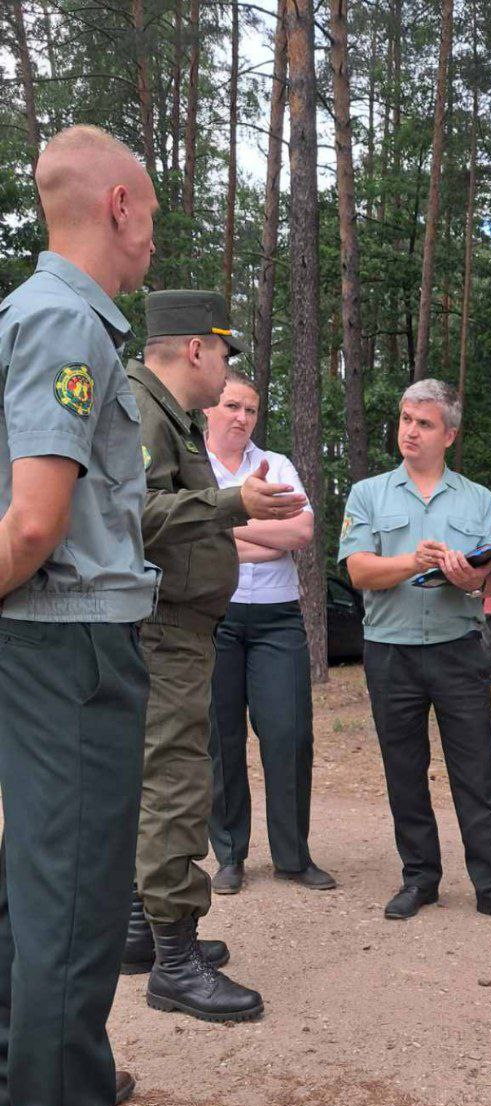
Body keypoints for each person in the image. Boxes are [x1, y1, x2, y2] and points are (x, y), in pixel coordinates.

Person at [0, 125, 197, 1106]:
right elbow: (33, 522)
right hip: (70, 640)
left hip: (50, 634)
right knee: (74, 890)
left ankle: (21, 1082)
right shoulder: (66, 320)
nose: (151, 239)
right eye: (153, 217)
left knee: (33, 875)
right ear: (119, 203)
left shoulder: (38, 315)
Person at [126, 290, 307, 1022]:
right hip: (165, 629)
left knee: (165, 778)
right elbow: (129, 515)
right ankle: (175, 963)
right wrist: (234, 504)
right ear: (196, 349)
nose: (228, 372)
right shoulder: (146, 411)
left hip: (181, 628)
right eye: (224, 353)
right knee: (174, 784)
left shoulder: (166, 417)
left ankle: (144, 932)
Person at [339, 379, 491, 929]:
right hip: (390, 653)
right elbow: (357, 570)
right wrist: (412, 562)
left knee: (476, 771)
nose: (409, 431)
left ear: (448, 434)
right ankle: (419, 879)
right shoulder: (368, 494)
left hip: (457, 650)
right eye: (405, 419)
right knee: (404, 770)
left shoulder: (478, 499)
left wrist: (474, 575)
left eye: (424, 423)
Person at [206, 371, 335, 894]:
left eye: (252, 409)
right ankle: (231, 855)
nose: (242, 417)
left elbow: (301, 532)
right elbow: (184, 537)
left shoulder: (277, 464)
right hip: (214, 614)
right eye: (233, 405)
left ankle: (293, 856)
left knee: (289, 735)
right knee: (223, 738)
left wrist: (225, 531)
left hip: (278, 617)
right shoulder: (195, 467)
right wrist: (266, 537)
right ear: (211, 409)